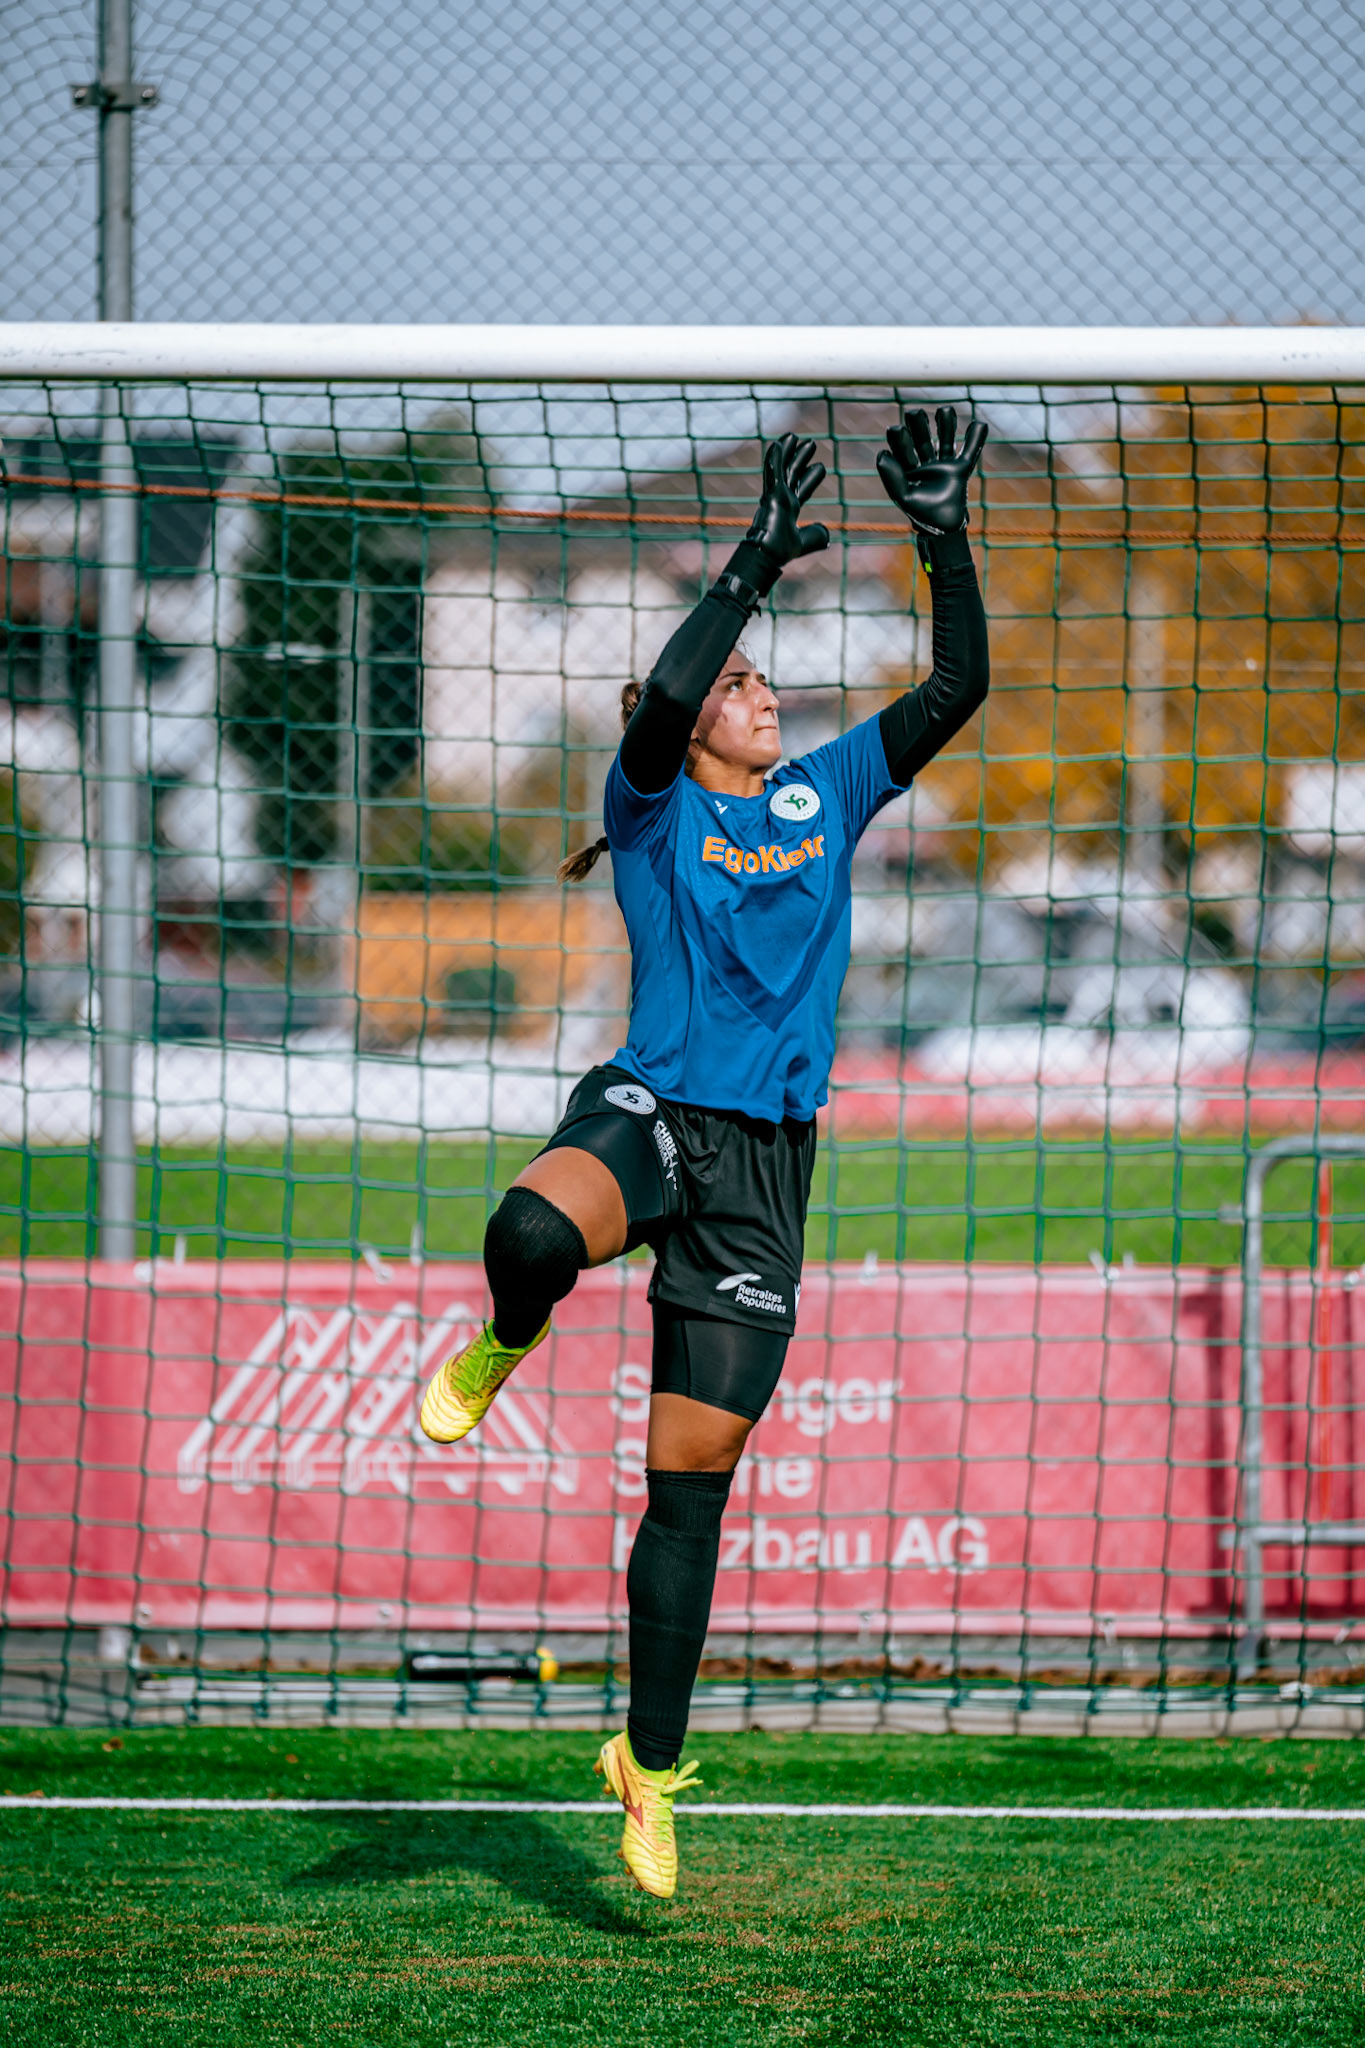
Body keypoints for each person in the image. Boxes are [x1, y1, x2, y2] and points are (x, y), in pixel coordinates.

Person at [419, 408, 990, 1897]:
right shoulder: (654, 806)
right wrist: (743, 567)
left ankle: (647, 1772)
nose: (760, 691)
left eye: (760, 681)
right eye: (740, 686)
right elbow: (667, 691)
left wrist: (940, 529)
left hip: (766, 1172)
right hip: (653, 1112)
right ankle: (505, 1338)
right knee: (532, 1236)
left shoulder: (828, 793)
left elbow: (957, 682)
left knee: (689, 1491)